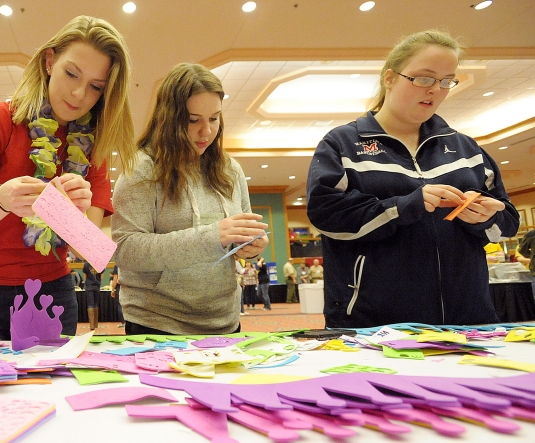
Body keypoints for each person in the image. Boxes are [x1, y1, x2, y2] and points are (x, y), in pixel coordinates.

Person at [0, 16, 136, 340]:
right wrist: (1, 199)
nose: (79, 93)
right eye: (72, 73)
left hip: (49, 297)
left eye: (96, 86)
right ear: (50, 60)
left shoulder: (93, 144)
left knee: (48, 392)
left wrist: (70, 211)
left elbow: (90, 251)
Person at [306, 29, 519, 328]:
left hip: (468, 319)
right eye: (424, 78)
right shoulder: (343, 143)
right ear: (390, 78)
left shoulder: (466, 148)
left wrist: (484, 217)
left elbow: (507, 221)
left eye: (446, 81)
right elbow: (326, 216)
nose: (436, 89)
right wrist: (405, 206)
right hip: (374, 323)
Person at [112, 63, 268, 335]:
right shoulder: (141, 169)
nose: (206, 131)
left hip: (225, 322)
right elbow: (126, 250)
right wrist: (211, 237)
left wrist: (250, 244)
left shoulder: (231, 170)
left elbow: (240, 233)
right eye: (193, 120)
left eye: (214, 118)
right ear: (168, 117)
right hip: (157, 326)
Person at [83, 260, 103, 331]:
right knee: (96, 304)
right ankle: (95, 324)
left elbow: (85, 277)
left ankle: (91, 325)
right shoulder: (100, 263)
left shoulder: (86, 264)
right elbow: (102, 277)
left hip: (89, 286)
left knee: (90, 304)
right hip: (97, 286)